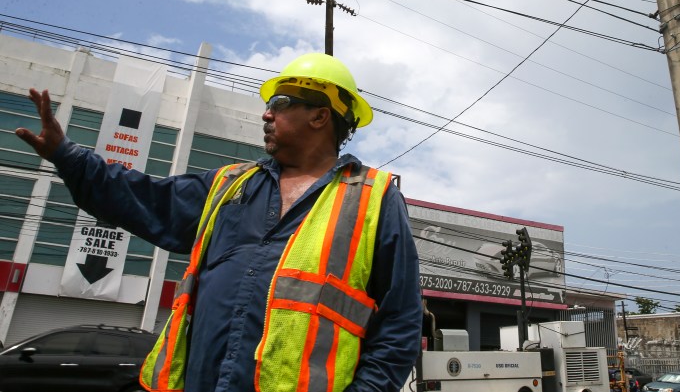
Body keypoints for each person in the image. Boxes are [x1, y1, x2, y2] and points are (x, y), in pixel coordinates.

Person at [16, 53, 422, 392]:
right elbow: (144, 198)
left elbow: (399, 324)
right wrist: (68, 156)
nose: (266, 113)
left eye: (280, 102)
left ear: (319, 116)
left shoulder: (372, 198)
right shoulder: (228, 186)